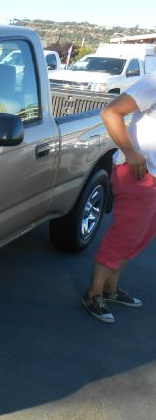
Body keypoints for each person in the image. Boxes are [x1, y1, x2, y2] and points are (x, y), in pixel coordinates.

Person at [82, 72, 156, 323]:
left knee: (140, 238)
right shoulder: (154, 81)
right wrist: (131, 152)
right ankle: (93, 293)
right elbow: (111, 112)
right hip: (138, 173)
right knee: (125, 235)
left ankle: (110, 289)